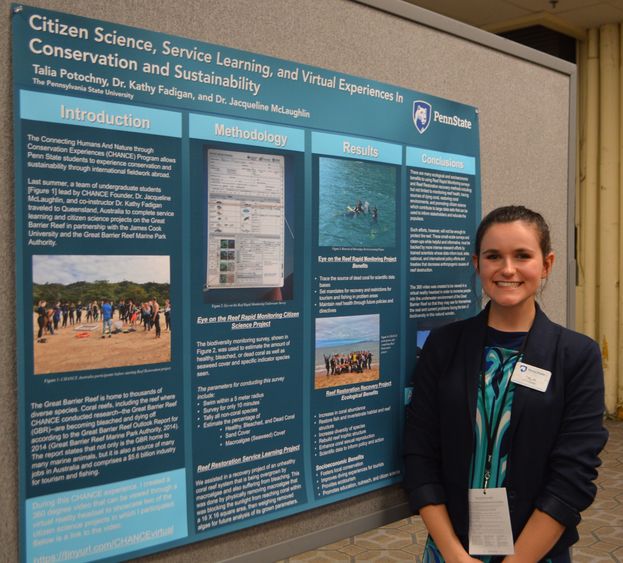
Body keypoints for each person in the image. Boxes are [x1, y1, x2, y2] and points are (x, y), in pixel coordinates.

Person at [404, 206, 608, 563]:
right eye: (493, 256)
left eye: (522, 256)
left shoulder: (576, 355)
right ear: (477, 263)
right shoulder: (444, 345)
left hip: (536, 553)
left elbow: (573, 476)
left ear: (547, 264)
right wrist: (453, 553)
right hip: (451, 551)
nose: (507, 269)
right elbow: (420, 452)